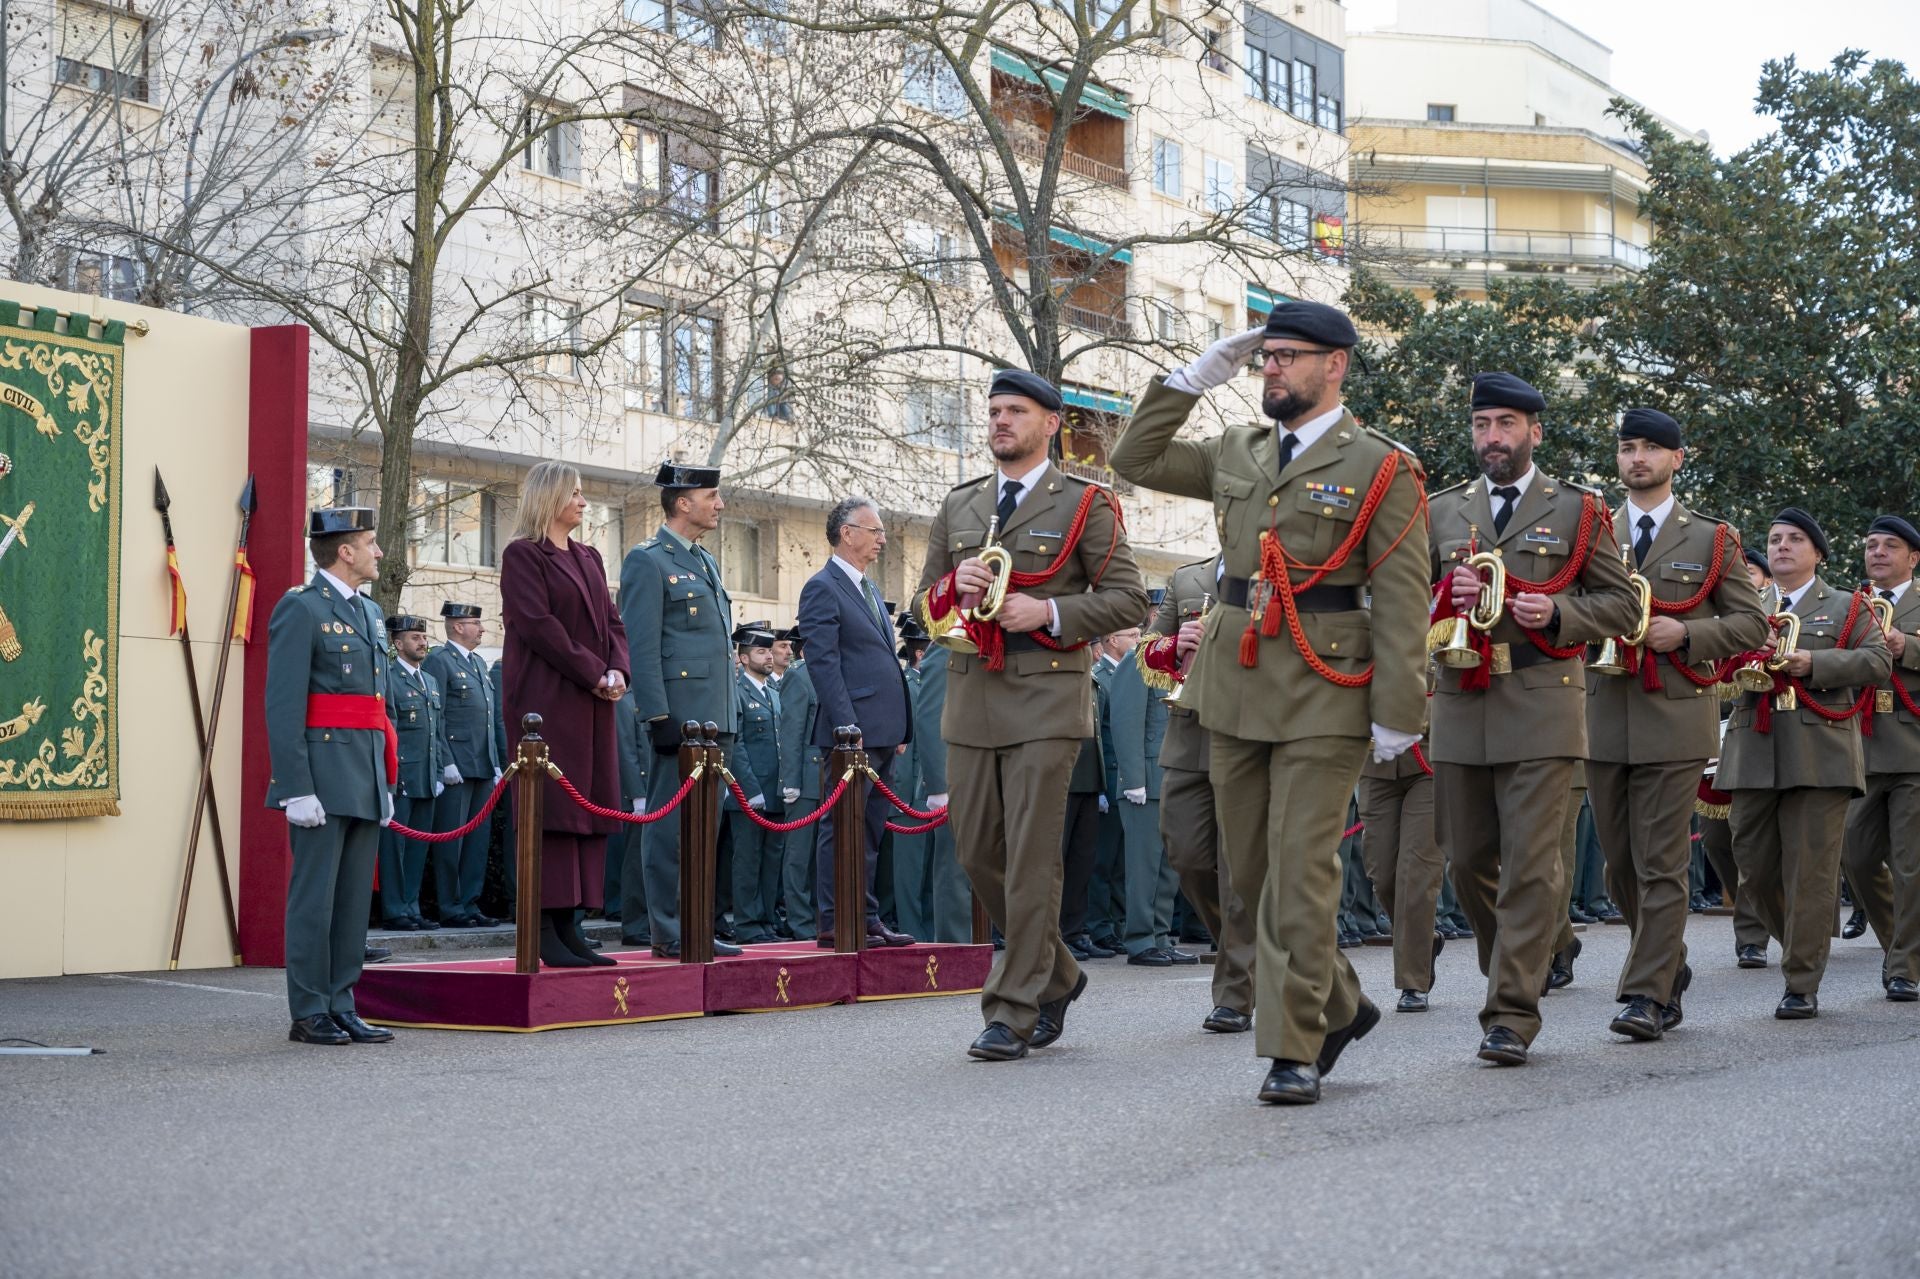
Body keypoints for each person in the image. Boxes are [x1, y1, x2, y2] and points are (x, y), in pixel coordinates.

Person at [1112, 302, 1430, 1105]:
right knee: (1249, 875)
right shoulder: (1237, 448)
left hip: (1328, 684)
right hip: (1233, 681)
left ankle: (1294, 1046)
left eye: (1289, 356)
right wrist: (1193, 377)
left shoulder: (1382, 467)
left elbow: (1400, 595)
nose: (1273, 369)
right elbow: (1135, 457)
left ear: (1337, 366)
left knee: (1298, 872)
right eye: (1266, 357)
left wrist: (1401, 710)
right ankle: (1344, 1002)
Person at [917, 368, 1147, 1060]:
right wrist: (953, 586)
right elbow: (923, 603)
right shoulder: (960, 505)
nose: (998, 422)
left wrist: (1046, 609)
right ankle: (1061, 971)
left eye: (1014, 410)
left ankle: (1013, 1007)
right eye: (992, 410)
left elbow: (1129, 600)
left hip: (1048, 698)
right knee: (976, 849)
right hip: (971, 697)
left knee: (1031, 861)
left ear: (1051, 423)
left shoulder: (1084, 503)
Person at [1426, 371, 1640, 1067]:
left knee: (1527, 864)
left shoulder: (1578, 510)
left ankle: (1510, 1012)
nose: (1493, 437)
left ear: (1534, 432)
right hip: (1461, 700)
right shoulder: (1442, 510)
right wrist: (1442, 593)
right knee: (1465, 861)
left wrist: (1560, 612)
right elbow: (1400, 601)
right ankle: (1522, 959)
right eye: (1483, 424)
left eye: (1506, 425)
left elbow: (1624, 608)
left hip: (1545, 700)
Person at [1577, 409, 1769, 1039]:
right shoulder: (1589, 528)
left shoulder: (1713, 538)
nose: (1637, 458)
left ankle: (1645, 995)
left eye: (1651, 449)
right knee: (1620, 868)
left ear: (1677, 459)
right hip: (1602, 712)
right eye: (1628, 447)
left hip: (1675, 714)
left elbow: (1750, 625)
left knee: (1660, 862)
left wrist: (1687, 631)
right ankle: (1670, 965)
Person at [1718, 508, 1890, 1017]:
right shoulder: (1745, 606)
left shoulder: (1846, 605)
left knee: (1811, 872)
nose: (1782, 547)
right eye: (1774, 539)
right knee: (1753, 866)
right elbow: (1717, 674)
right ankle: (1800, 940)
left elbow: (1878, 662)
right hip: (1752, 752)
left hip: (1819, 753)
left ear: (1817, 553)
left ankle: (1801, 980)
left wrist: (1814, 663)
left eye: (1795, 539)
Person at [266, 506, 397, 1045]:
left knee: (349, 904)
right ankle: (309, 1009)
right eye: (370, 542)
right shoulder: (300, 609)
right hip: (320, 775)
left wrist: (385, 781)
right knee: (314, 900)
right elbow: (283, 705)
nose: (378, 552)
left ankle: (343, 1001)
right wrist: (295, 787)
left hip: (363, 774)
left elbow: (375, 705)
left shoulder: (368, 613)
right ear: (345, 551)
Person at [500, 461, 630, 969]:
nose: (583, 501)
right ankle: (544, 925)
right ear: (549, 498)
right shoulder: (523, 556)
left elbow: (613, 622)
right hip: (546, 700)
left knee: (586, 807)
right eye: (574, 493)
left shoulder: (590, 556)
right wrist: (593, 671)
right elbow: (537, 625)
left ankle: (571, 923)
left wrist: (618, 670)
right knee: (553, 810)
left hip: (592, 701)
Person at [619, 461, 742, 958]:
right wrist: (657, 716)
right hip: (680, 720)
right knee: (670, 831)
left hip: (715, 717)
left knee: (704, 831)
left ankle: (695, 924)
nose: (720, 504)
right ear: (683, 501)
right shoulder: (648, 560)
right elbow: (640, 646)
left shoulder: (704, 561)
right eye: (712, 496)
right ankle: (667, 930)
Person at [1140, 556, 1256, 1031]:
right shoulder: (1187, 577)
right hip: (1188, 735)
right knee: (1185, 852)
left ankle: (1234, 992)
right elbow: (1146, 649)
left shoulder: (1276, 568)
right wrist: (1174, 644)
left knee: (1237, 870)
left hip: (1249, 732)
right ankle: (1244, 948)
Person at [800, 495, 915, 947]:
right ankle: (833, 920)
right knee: (839, 826)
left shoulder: (866, 587)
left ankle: (866, 916)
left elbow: (884, 660)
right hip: (852, 734)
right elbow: (823, 664)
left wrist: (902, 726)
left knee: (869, 828)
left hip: (884, 730)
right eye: (875, 530)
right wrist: (849, 732)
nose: (882, 539)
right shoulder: (823, 586)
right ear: (847, 533)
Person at [1839, 515, 1920, 1001]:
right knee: (1857, 854)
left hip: (1914, 750)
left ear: (1913, 557)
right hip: (1860, 748)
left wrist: (1906, 646)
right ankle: (1900, 947)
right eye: (1871, 545)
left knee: (1911, 865)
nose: (1878, 553)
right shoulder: (1849, 605)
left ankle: (1904, 965)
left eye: (1891, 546)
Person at [1107, 621, 1183, 964]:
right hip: (1145, 782)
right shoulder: (1141, 658)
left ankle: (1161, 935)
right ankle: (1140, 939)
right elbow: (1126, 719)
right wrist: (1133, 779)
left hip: (1173, 776)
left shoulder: (1181, 659)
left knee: (1168, 867)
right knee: (1144, 866)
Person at [424, 601, 503, 927]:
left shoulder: (477, 665)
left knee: (476, 842)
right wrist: (445, 761)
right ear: (458, 626)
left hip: (481, 765)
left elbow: (488, 720)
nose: (482, 629)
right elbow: (434, 716)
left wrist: (496, 762)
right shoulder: (440, 661)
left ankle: (470, 903)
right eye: (476, 623)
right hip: (457, 766)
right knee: (452, 840)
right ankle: (451, 906)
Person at [378, 614, 445, 930]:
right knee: (395, 849)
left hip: (427, 778)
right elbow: (389, 731)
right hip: (402, 777)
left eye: (423, 637)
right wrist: (393, 775)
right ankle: (394, 910)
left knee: (418, 848)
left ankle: (412, 906)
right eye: (414, 638)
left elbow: (438, 732)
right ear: (397, 642)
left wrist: (440, 771)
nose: (422, 642)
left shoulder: (429, 681)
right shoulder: (390, 678)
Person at [725, 625, 784, 944]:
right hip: (749, 793)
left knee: (771, 858)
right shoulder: (737, 691)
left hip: (774, 790)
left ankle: (765, 920)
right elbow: (738, 746)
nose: (768, 656)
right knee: (747, 859)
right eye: (761, 652)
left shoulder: (772, 692)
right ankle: (747, 923)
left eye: (768, 651)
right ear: (744, 657)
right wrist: (750, 790)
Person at [1059, 643, 1113, 960]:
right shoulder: (1062, 680)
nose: (1095, 652)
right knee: (1057, 863)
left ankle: (1074, 930)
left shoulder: (1093, 682)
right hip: (1063, 780)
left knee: (1081, 862)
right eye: (1091, 646)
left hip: (1089, 779)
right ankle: (1054, 934)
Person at [776, 626, 821, 939]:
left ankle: (824, 919)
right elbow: (791, 732)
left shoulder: (833, 673)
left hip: (831, 777)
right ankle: (800, 922)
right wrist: (791, 781)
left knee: (826, 856)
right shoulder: (799, 676)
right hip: (805, 778)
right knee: (799, 857)